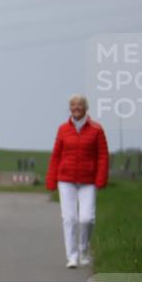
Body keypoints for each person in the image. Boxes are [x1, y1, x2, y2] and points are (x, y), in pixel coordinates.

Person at [45, 95, 109, 268]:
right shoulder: (63, 129)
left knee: (87, 218)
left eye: (80, 104)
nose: (76, 107)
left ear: (86, 107)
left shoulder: (96, 129)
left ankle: (83, 249)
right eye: (73, 105)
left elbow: (103, 156)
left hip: (88, 180)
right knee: (70, 219)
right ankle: (72, 256)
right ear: (70, 108)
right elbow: (56, 155)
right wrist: (51, 179)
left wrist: (101, 178)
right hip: (66, 179)